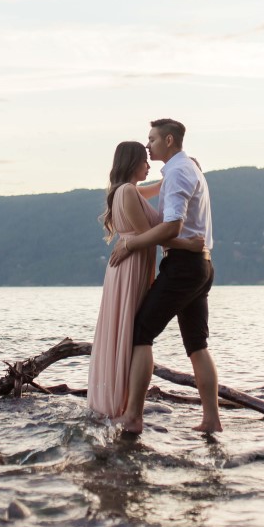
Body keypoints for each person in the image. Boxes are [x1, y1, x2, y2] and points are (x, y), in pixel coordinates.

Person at [109, 118, 222, 435]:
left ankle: (132, 416)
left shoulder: (177, 172)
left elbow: (173, 225)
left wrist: (131, 242)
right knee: (197, 344)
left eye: (153, 139)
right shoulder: (186, 169)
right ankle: (211, 420)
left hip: (185, 266)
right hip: (200, 265)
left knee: (142, 332)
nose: (148, 145)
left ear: (169, 140)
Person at [87, 140, 202, 420]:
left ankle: (123, 400)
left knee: (129, 330)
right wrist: (186, 245)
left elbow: (161, 188)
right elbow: (147, 235)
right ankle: (121, 405)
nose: (148, 165)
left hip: (133, 263)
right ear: (132, 162)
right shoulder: (127, 191)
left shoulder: (129, 191)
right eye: (144, 160)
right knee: (133, 332)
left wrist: (189, 170)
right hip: (131, 265)